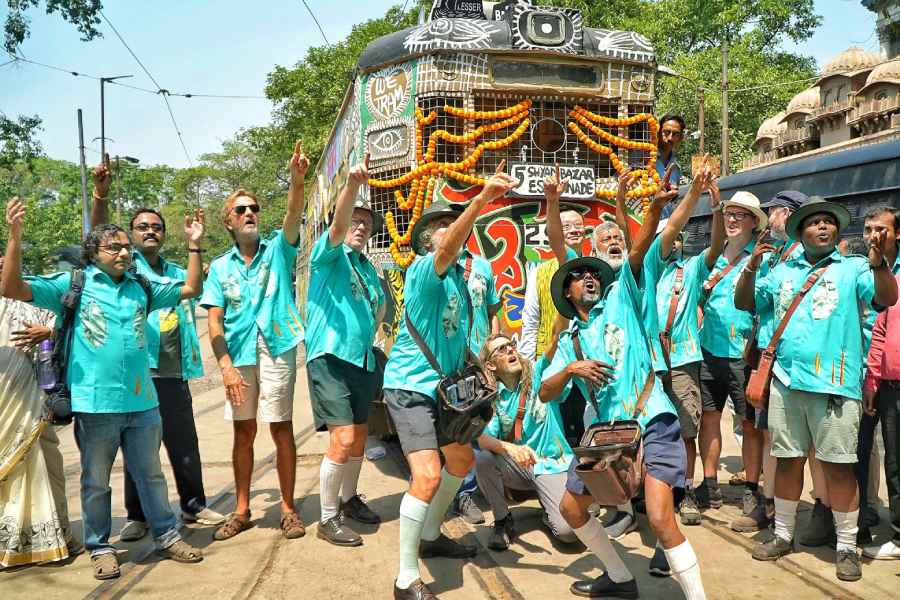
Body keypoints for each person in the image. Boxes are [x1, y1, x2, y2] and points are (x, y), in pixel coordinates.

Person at [1, 198, 206, 580]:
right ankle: (100, 546)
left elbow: (191, 288)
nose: (126, 252)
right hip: (96, 405)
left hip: (144, 402)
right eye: (115, 247)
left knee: (151, 476)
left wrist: (194, 243)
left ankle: (166, 534)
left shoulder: (141, 285)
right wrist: (15, 235)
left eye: (127, 247)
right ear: (93, 254)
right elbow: (11, 287)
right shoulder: (73, 283)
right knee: (95, 482)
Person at [539, 200, 707, 599]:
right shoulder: (569, 341)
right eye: (577, 276)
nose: (587, 278)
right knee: (570, 510)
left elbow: (641, 246)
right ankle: (619, 576)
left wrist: (653, 210)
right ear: (568, 292)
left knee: (663, 519)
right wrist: (570, 371)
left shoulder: (622, 299)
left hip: (652, 420)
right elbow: (546, 392)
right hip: (606, 437)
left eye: (590, 273)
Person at [736, 196, 898, 582]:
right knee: (789, 461)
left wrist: (880, 266)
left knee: (839, 469)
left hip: (836, 387)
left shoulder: (855, 268)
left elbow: (887, 297)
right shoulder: (781, 272)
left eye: (829, 222)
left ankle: (845, 547)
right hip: (787, 384)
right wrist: (751, 267)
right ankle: (782, 535)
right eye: (814, 222)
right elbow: (746, 303)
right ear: (800, 232)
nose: (823, 227)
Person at [382, 163, 517, 600]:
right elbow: (448, 249)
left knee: (460, 464)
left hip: (443, 390)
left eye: (451, 222)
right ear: (427, 240)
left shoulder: (462, 281)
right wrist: (480, 201)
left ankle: (431, 533)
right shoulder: (425, 269)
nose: (448, 229)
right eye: (441, 225)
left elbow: (460, 336)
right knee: (426, 475)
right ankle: (406, 578)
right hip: (409, 385)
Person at [88, 158, 226, 542]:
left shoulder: (177, 272)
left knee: (184, 441)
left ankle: (194, 504)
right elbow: (97, 235)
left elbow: (198, 288)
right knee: (137, 449)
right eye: (142, 227)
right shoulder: (125, 270)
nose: (150, 231)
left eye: (156, 227)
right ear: (129, 235)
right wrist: (100, 194)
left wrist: (195, 242)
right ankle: (137, 516)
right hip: (138, 373)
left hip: (173, 371)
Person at [201, 141, 308, 542]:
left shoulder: (278, 250)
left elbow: (294, 213)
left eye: (254, 208)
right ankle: (242, 509)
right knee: (243, 432)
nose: (249, 213)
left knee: (281, 428)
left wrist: (297, 180)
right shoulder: (220, 269)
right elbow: (214, 322)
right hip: (239, 355)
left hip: (276, 347)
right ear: (228, 221)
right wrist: (225, 367)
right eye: (240, 210)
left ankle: (289, 509)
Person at [305, 156, 386, 546]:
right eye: (355, 219)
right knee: (341, 438)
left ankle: (350, 498)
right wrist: (352, 185)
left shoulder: (368, 268)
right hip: (330, 358)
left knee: (359, 436)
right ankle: (326, 517)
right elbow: (337, 228)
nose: (360, 226)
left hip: (362, 360)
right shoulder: (328, 256)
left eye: (367, 224)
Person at [730, 191, 806, 534]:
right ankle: (769, 500)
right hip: (764, 351)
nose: (768, 219)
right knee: (765, 428)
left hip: (783, 355)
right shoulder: (776, 256)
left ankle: (774, 506)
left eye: (771, 212)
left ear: (786, 214)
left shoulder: (799, 256)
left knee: (778, 433)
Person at [0, 247, 81, 567]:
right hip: (5, 406)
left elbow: (70, 326)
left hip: (34, 404)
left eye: (4, 261)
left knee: (50, 472)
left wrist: (49, 332)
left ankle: (60, 532)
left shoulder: (32, 301)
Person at [653, 167, 725, 528]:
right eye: (668, 237)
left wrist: (716, 209)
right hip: (651, 362)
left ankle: (685, 492)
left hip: (683, 361)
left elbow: (716, 247)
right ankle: (651, 492)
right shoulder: (647, 270)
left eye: (679, 237)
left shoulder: (693, 269)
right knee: (649, 429)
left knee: (686, 430)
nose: (673, 241)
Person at [695, 192, 768, 514]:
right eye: (729, 214)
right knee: (708, 419)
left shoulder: (764, 259)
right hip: (709, 349)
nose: (733, 219)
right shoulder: (712, 257)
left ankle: (752, 487)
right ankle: (709, 484)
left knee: (749, 424)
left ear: (755, 222)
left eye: (742, 215)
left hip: (744, 353)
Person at [474, 332, 577, 550]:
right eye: (501, 349)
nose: (510, 349)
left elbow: (554, 340)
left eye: (511, 345)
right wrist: (511, 448)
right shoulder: (493, 398)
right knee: (482, 458)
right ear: (491, 366)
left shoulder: (538, 373)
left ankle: (550, 512)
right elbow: (482, 438)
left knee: (568, 534)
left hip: (553, 465)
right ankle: (502, 520)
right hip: (520, 467)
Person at [855, 206, 900, 542]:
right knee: (858, 449)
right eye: (869, 229)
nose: (874, 236)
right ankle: (861, 517)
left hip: (892, 374)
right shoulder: (857, 270)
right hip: (863, 371)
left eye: (882, 229)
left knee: (895, 456)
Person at [861, 270, 900, 560]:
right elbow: (880, 333)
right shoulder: (892, 281)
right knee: (895, 462)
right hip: (890, 386)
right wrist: (873, 380)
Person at [656, 114, 685, 219]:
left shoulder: (676, 169)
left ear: (680, 138)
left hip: (664, 226)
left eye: (675, 134)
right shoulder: (644, 158)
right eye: (666, 132)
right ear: (658, 132)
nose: (670, 138)